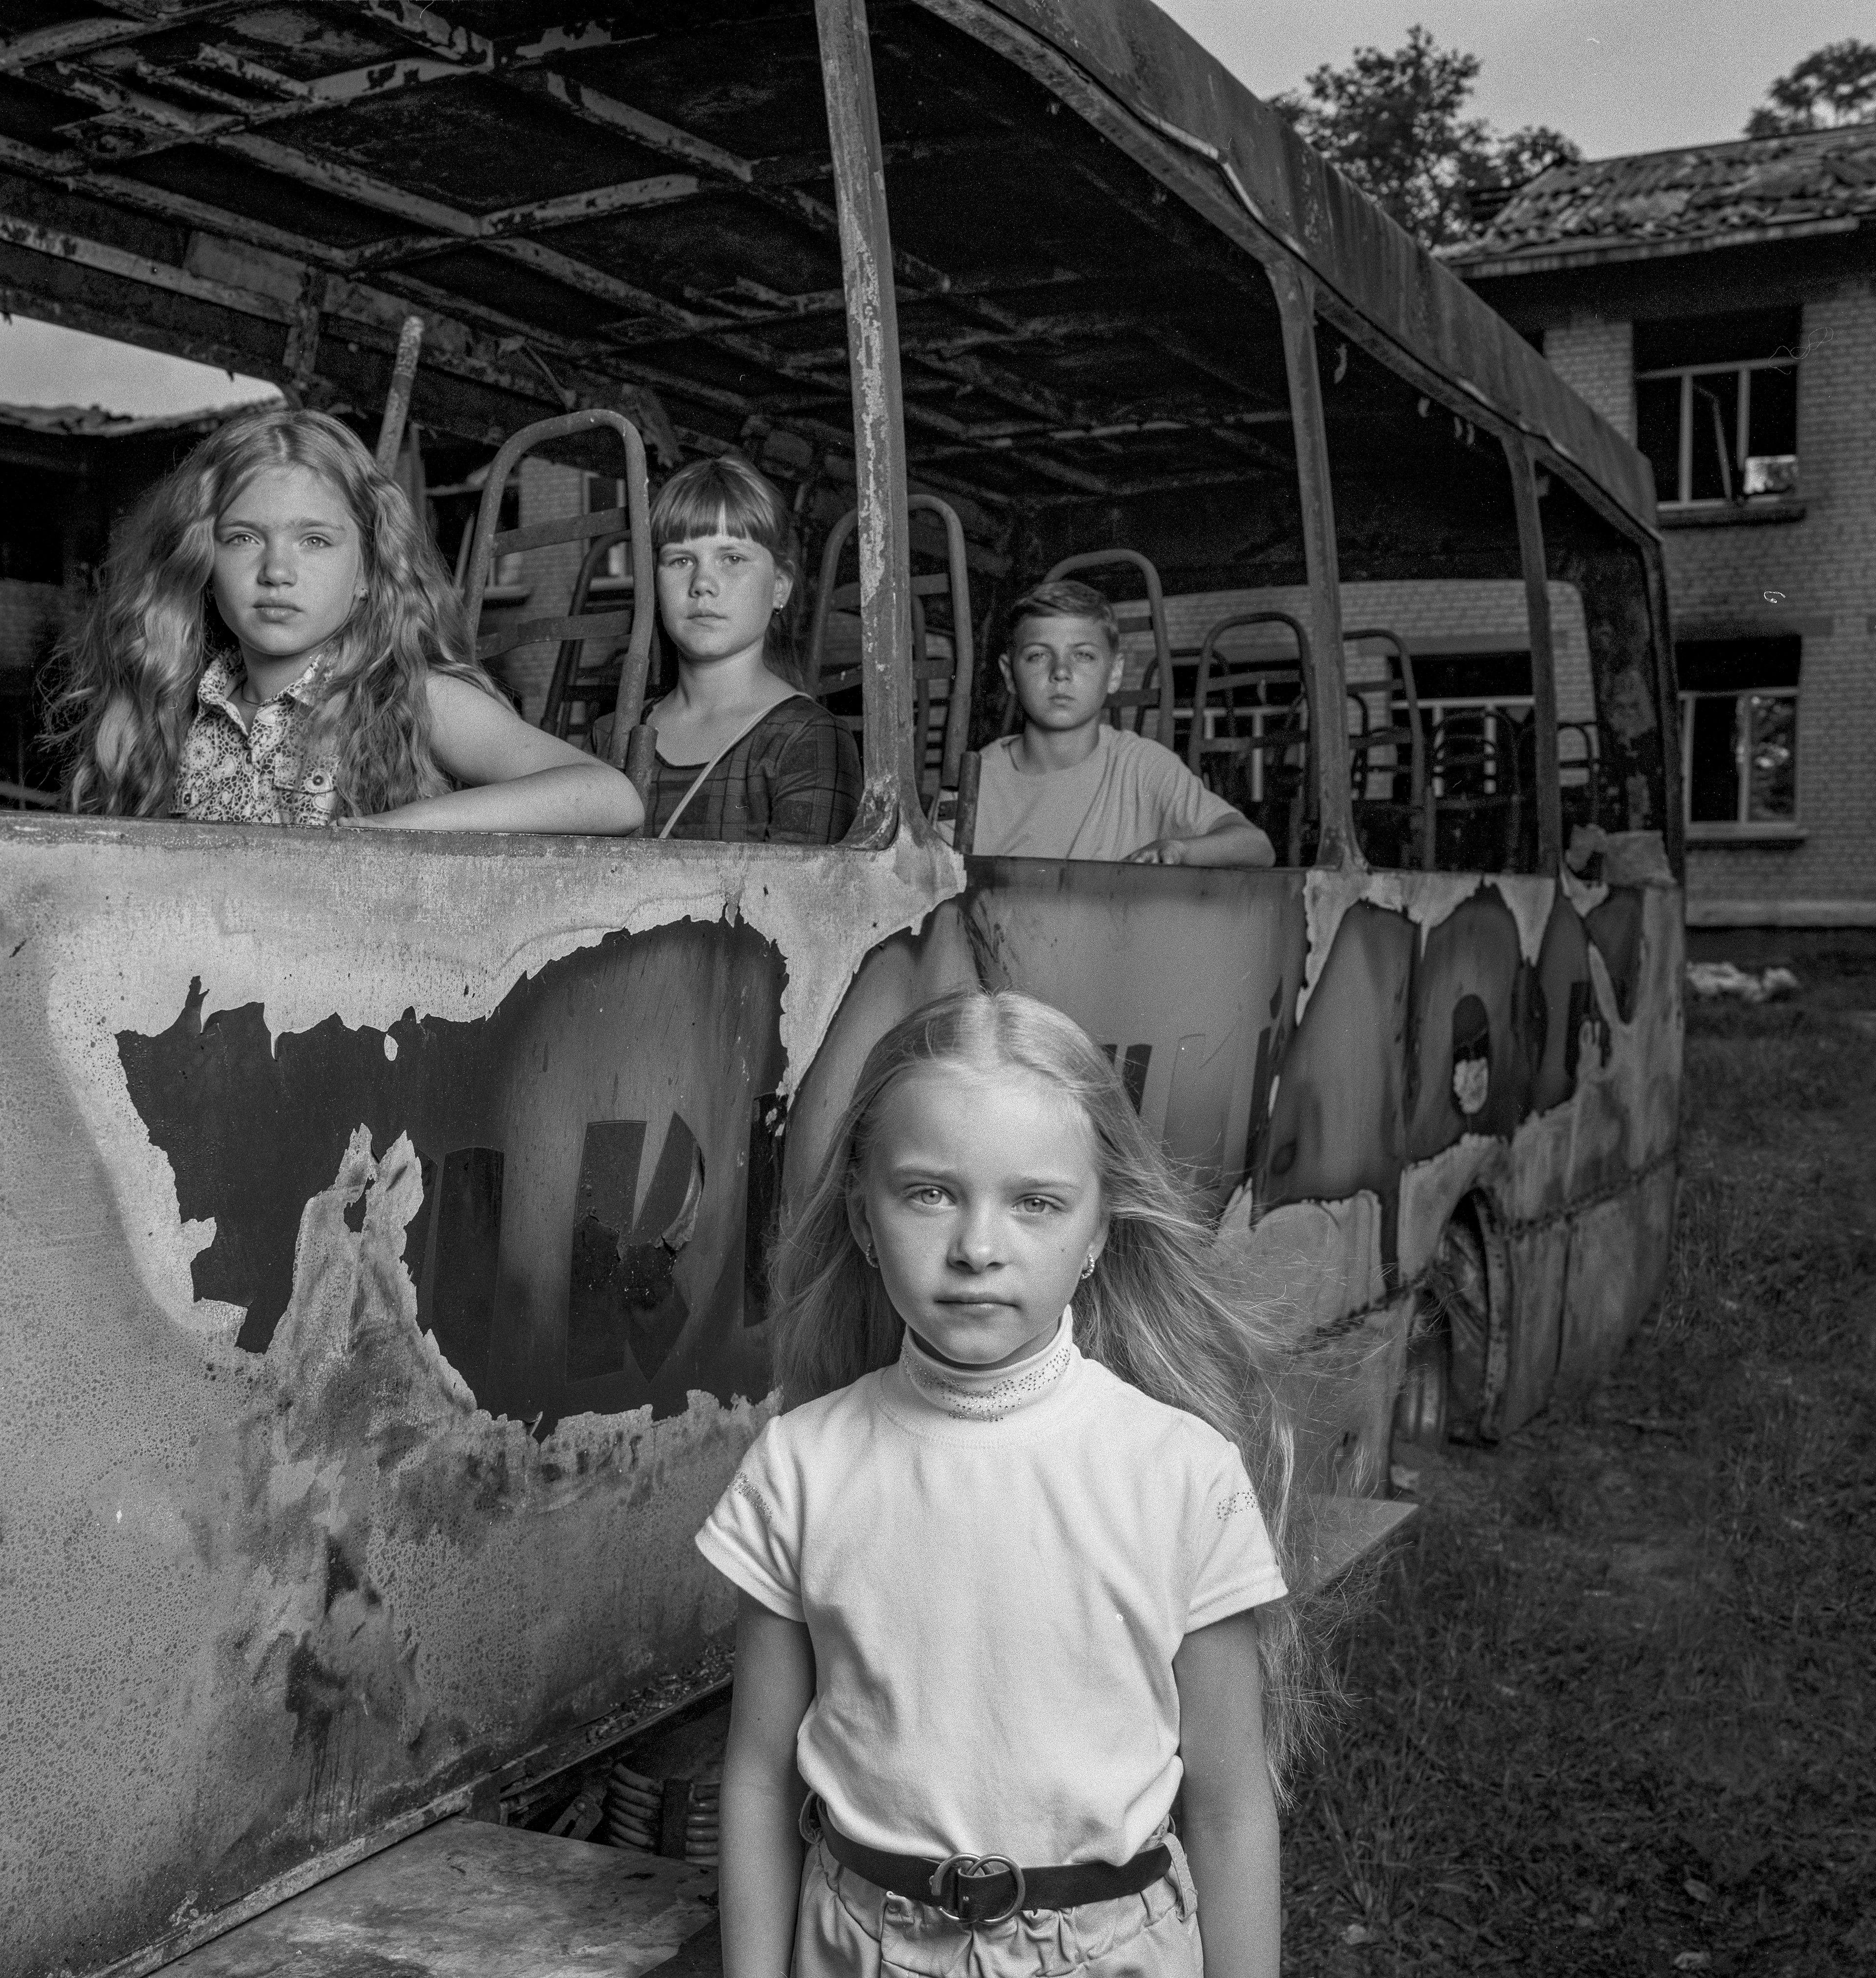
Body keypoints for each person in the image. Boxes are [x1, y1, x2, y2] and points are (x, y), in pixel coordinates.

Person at [701, 988, 1317, 1978]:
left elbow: (1230, 1808)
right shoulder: (798, 1466)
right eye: (928, 1192)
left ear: (1099, 1232)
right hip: (858, 1952)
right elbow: (760, 1782)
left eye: (1034, 1202)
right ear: (862, 1217)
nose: (977, 1247)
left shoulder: (1180, 1474)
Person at [55, 405, 643, 833]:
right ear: (202, 564)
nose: (277, 571)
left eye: (314, 540)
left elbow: (610, 797)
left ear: (368, 572)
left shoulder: (407, 698)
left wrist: (398, 832)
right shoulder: (170, 706)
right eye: (243, 539)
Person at [592, 455, 861, 843]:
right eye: (680, 560)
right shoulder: (613, 734)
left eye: (732, 558)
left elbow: (799, 902)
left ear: (780, 588)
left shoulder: (810, 739)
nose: (702, 582)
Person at [971, 581, 1274, 868]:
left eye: (1083, 656)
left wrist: (1179, 850)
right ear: (1010, 673)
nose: (1061, 672)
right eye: (1038, 655)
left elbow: (1256, 846)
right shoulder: (974, 780)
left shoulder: (1141, 766)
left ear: (1115, 673)